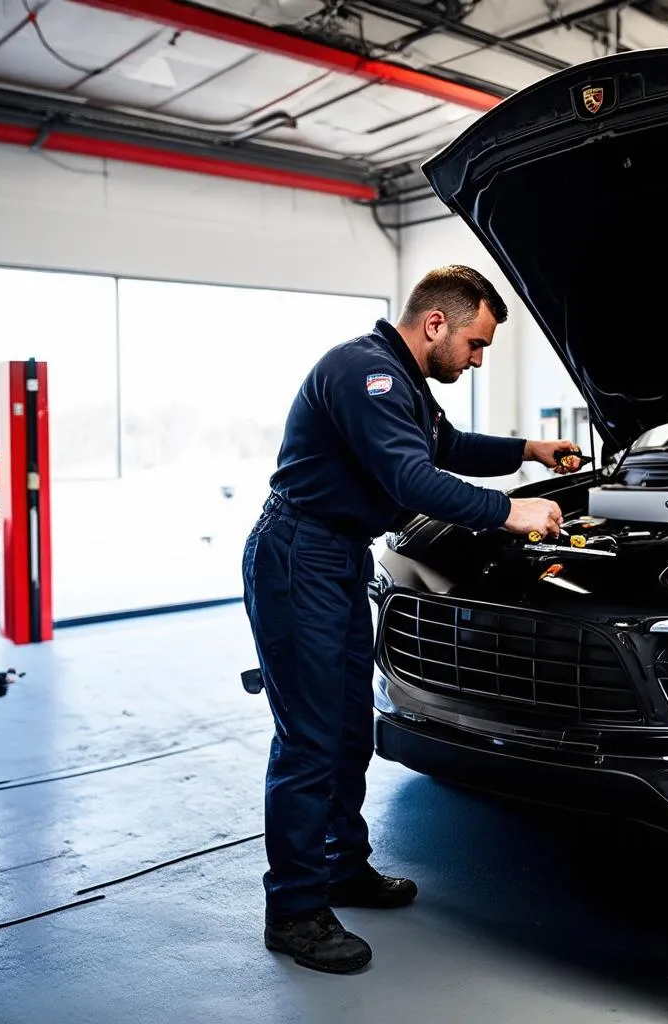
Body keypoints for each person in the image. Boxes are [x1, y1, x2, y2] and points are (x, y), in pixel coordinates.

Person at [241, 265, 585, 974]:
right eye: (477, 344)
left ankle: (341, 868)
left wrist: (526, 451)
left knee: (345, 728)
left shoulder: (403, 384)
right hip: (297, 554)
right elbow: (410, 479)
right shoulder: (363, 373)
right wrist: (510, 510)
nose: (478, 358)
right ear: (437, 324)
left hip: (335, 557)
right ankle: (295, 912)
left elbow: (446, 448)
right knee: (308, 740)